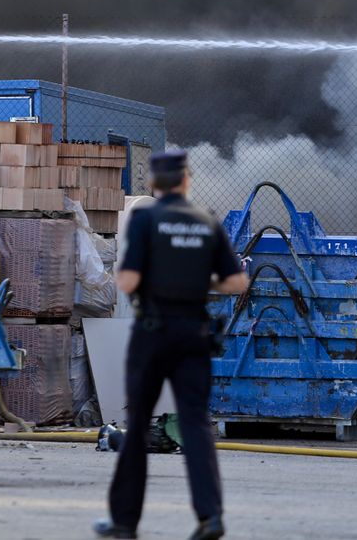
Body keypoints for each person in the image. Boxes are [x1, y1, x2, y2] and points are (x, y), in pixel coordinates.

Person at [95, 149, 249, 540]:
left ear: (152, 184)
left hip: (153, 333)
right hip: (194, 334)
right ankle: (209, 517)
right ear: (186, 181)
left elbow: (127, 282)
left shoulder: (147, 219)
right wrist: (200, 283)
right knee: (196, 425)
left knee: (138, 425)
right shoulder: (207, 220)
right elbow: (236, 283)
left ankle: (124, 523)